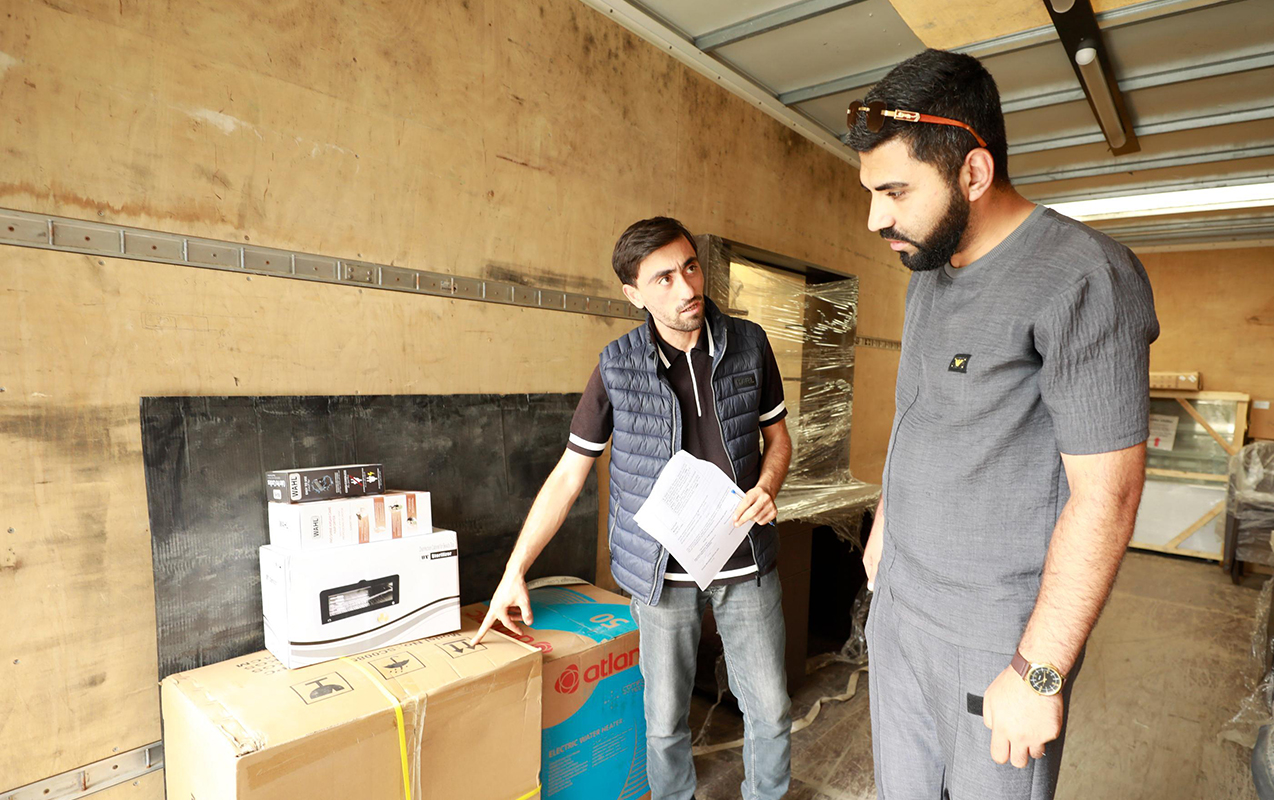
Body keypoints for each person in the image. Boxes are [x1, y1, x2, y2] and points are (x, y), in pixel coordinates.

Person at [846, 49, 1159, 800]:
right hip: (901, 609)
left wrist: (1038, 671)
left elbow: (1107, 495)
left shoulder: (1084, 277)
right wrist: (885, 527)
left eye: (894, 191)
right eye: (871, 192)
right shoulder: (929, 272)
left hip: (995, 638)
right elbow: (921, 418)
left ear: (974, 173)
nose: (875, 218)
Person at [472, 216, 795, 800]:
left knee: (770, 712)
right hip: (660, 574)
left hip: (745, 560)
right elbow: (569, 474)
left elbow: (778, 439)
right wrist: (514, 569)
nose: (686, 287)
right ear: (634, 294)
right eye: (664, 278)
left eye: (690, 267)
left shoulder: (749, 344)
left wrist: (768, 486)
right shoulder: (617, 366)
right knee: (665, 721)